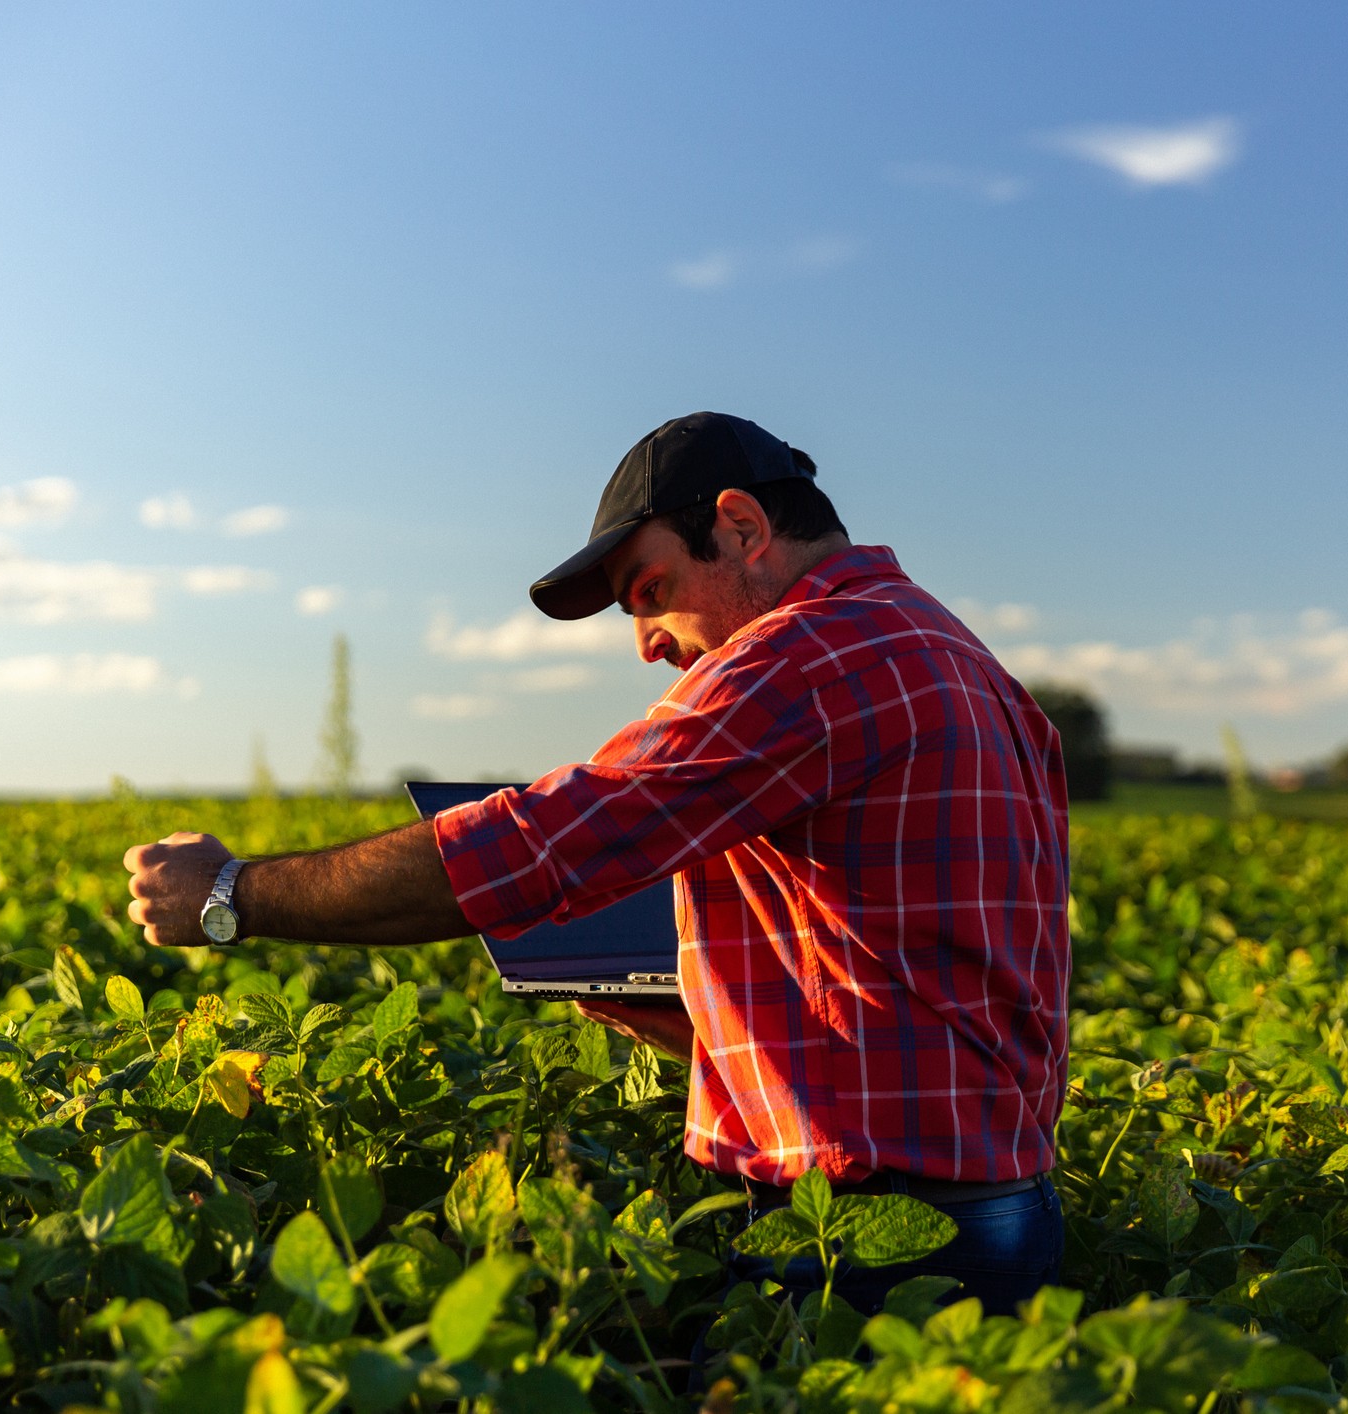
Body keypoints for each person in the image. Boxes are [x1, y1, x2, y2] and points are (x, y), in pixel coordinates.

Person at [123, 411, 1072, 1317]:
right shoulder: (960, 657)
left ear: (740, 527)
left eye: (649, 590)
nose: (646, 641)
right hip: (995, 1200)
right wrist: (707, 1020)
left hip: (871, 1228)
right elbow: (924, 980)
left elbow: (545, 844)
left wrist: (230, 893)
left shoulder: (811, 654)